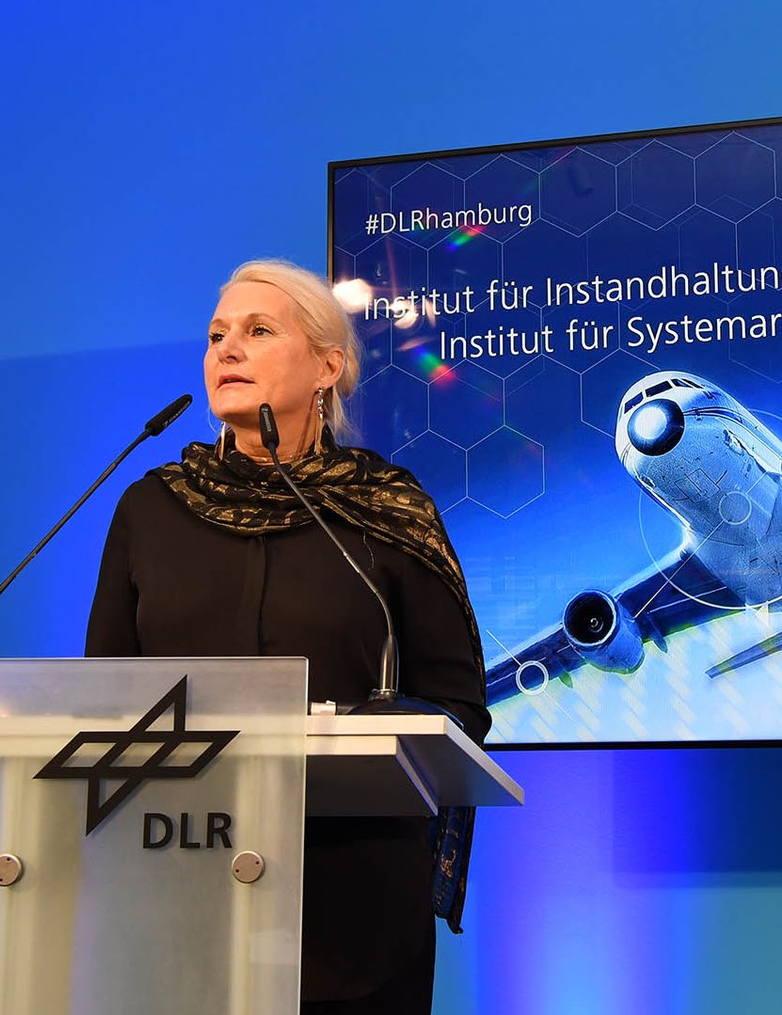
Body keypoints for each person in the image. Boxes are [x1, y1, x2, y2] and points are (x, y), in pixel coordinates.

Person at [86, 258, 489, 1014]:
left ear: (327, 368)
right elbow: (104, 697)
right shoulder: (151, 509)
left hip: (354, 918)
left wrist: (365, 733)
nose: (228, 350)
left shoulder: (387, 511)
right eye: (217, 336)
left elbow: (458, 704)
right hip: (178, 896)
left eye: (258, 330)